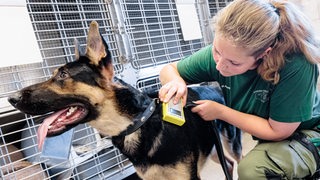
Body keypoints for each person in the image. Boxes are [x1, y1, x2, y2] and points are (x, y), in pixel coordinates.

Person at [158, 0, 320, 179]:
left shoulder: (295, 64)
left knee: (252, 169)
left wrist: (220, 112)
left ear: (263, 54)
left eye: (234, 63)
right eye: (216, 51)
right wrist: (176, 82)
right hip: (274, 135)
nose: (220, 66)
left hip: (309, 132)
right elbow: (169, 69)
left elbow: (279, 132)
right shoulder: (225, 54)